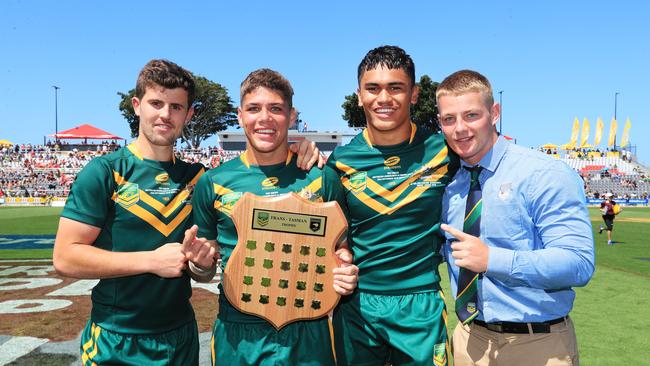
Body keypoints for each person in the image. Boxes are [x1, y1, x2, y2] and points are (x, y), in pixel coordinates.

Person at [53, 60, 323, 365]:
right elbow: (65, 257)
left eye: (176, 107)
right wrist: (151, 260)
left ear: (189, 113)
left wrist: (202, 263)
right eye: (156, 103)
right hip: (117, 337)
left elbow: (203, 267)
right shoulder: (104, 171)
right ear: (137, 106)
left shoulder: (199, 179)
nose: (165, 115)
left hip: (181, 336)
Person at [191, 68, 358, 365]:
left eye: (276, 109)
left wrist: (344, 268)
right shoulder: (212, 182)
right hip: (239, 332)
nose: (264, 118)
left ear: (292, 116)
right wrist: (199, 264)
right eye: (254, 108)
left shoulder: (321, 177)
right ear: (241, 115)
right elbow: (204, 267)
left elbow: (341, 249)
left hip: (310, 327)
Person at [437, 69, 595, 366]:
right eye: (449, 119)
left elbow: (578, 262)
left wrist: (491, 259)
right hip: (468, 340)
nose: (460, 128)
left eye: (471, 115)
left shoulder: (544, 173)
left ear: (494, 113)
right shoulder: (450, 185)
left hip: (537, 344)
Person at [323, 45, 459, 365]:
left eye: (395, 87)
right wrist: (336, 260)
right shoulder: (341, 161)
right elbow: (330, 237)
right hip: (356, 306)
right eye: (373, 88)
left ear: (413, 94)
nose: (383, 98)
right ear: (359, 95)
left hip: (420, 306)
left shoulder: (444, 151)